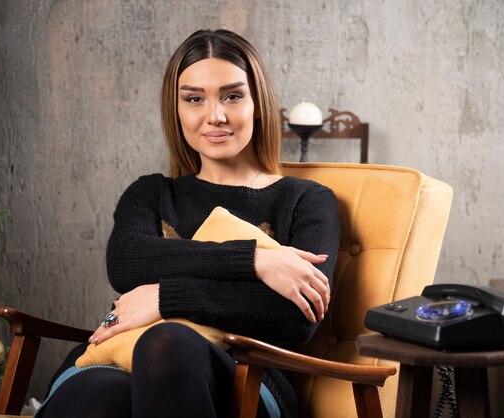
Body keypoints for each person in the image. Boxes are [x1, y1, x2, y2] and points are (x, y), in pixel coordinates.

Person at [36, 29, 340, 418]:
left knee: (168, 342)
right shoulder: (151, 193)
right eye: (194, 99)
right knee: (101, 401)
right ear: (176, 110)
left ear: (257, 103)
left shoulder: (306, 200)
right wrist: (255, 262)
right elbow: (128, 260)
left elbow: (299, 315)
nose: (215, 115)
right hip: (112, 357)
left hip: (247, 377)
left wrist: (164, 299)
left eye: (232, 96)